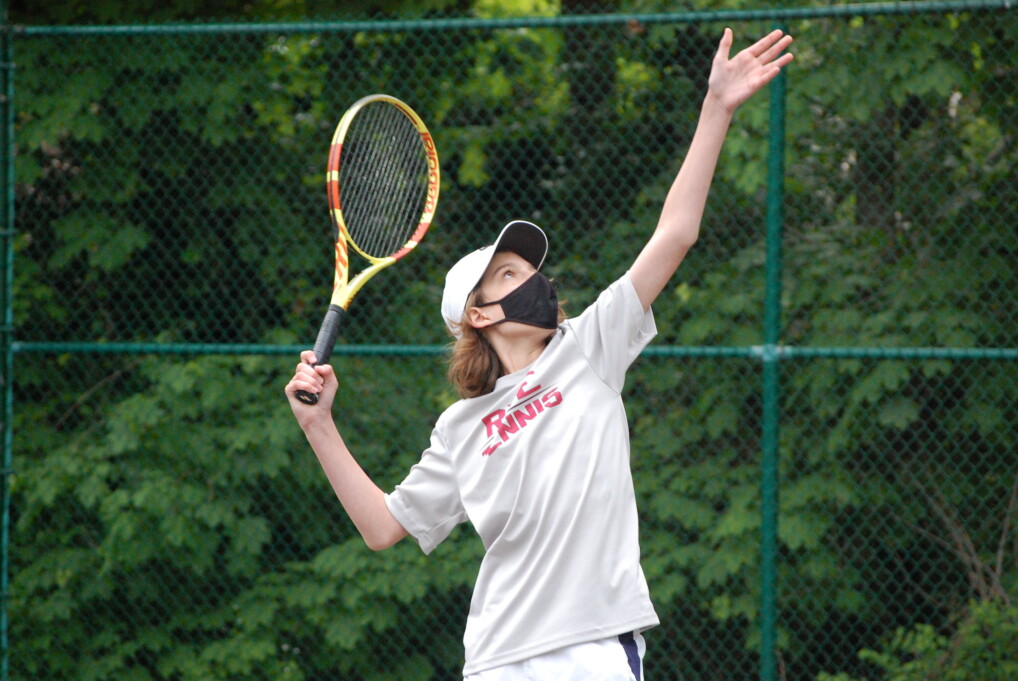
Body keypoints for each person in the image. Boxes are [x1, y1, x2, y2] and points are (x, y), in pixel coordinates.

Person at [286, 27, 794, 681]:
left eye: (530, 268)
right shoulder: (460, 426)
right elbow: (384, 527)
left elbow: (676, 233)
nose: (531, 278)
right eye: (507, 274)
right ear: (478, 315)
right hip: (498, 656)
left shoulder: (589, 347)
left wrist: (716, 108)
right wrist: (319, 424)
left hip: (592, 647)